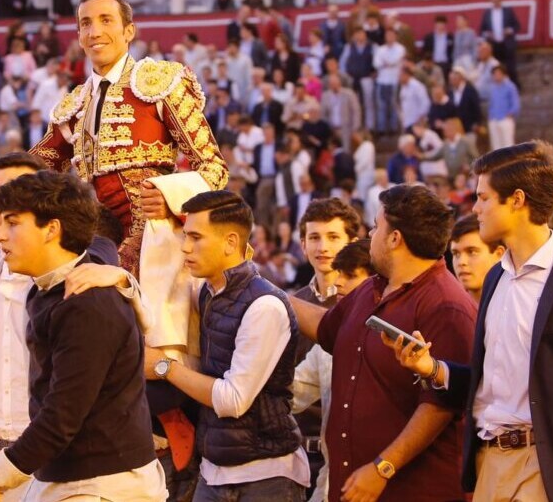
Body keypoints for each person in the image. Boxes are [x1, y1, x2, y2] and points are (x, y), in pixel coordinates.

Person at [387, 141, 553, 501]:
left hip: (548, 470)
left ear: (518, 200)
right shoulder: (496, 279)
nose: (474, 207)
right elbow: (492, 383)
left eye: (484, 197)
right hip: (489, 466)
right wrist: (433, 368)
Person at [0, 0, 227, 273]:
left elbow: (214, 167)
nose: (95, 32)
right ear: (78, 36)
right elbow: (21, 181)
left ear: (129, 31)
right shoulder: (74, 106)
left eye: (106, 20)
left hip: (156, 236)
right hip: (95, 238)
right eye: (86, 24)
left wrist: (172, 198)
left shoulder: (159, 82)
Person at [0, 170, 165, 498]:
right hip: (65, 474)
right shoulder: (57, 284)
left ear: (52, 228)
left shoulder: (84, 302)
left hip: (101, 483)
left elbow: (63, 414)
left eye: (13, 222)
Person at [290, 183, 477, 502]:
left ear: (395, 239)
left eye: (377, 227)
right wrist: (265, 290)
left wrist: (383, 467)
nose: (370, 235)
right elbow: (327, 328)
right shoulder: (370, 289)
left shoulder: (446, 305)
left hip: (409, 491)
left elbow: (439, 406)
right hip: (350, 486)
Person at [148, 190, 308, 500]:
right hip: (214, 469)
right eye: (184, 236)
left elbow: (232, 400)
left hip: (266, 476)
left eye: (195, 237)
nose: (185, 247)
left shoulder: (264, 306)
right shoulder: (208, 292)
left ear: (231, 242)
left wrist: (163, 366)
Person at [291, 240, 375, 502]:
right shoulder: (330, 346)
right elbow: (290, 394)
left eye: (350, 275)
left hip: (385, 482)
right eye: (338, 273)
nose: (338, 283)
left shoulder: (398, 342)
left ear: (377, 281)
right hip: (330, 485)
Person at [448, 214, 504, 305]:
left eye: (472, 252)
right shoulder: (446, 307)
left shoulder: (515, 306)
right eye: (456, 253)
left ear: (499, 255)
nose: (461, 262)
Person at [479, 0, 520, 85]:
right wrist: (488, 34)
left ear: (501, 1)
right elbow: (482, 29)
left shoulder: (508, 11)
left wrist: (509, 31)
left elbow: (517, 26)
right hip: (493, 44)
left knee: (510, 67)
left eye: (498, 0)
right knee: (495, 67)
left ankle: (514, 86)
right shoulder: (487, 13)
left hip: (506, 43)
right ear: (491, 2)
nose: (496, 2)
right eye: (494, 1)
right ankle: (496, 85)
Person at [486, 65, 520, 151]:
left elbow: (515, 103)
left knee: (508, 144)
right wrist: (491, 116)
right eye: (494, 74)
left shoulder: (510, 86)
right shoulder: (493, 88)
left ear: (503, 74)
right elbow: (491, 103)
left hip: (505, 119)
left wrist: (510, 114)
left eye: (498, 74)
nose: (496, 76)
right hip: (494, 119)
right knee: (496, 145)